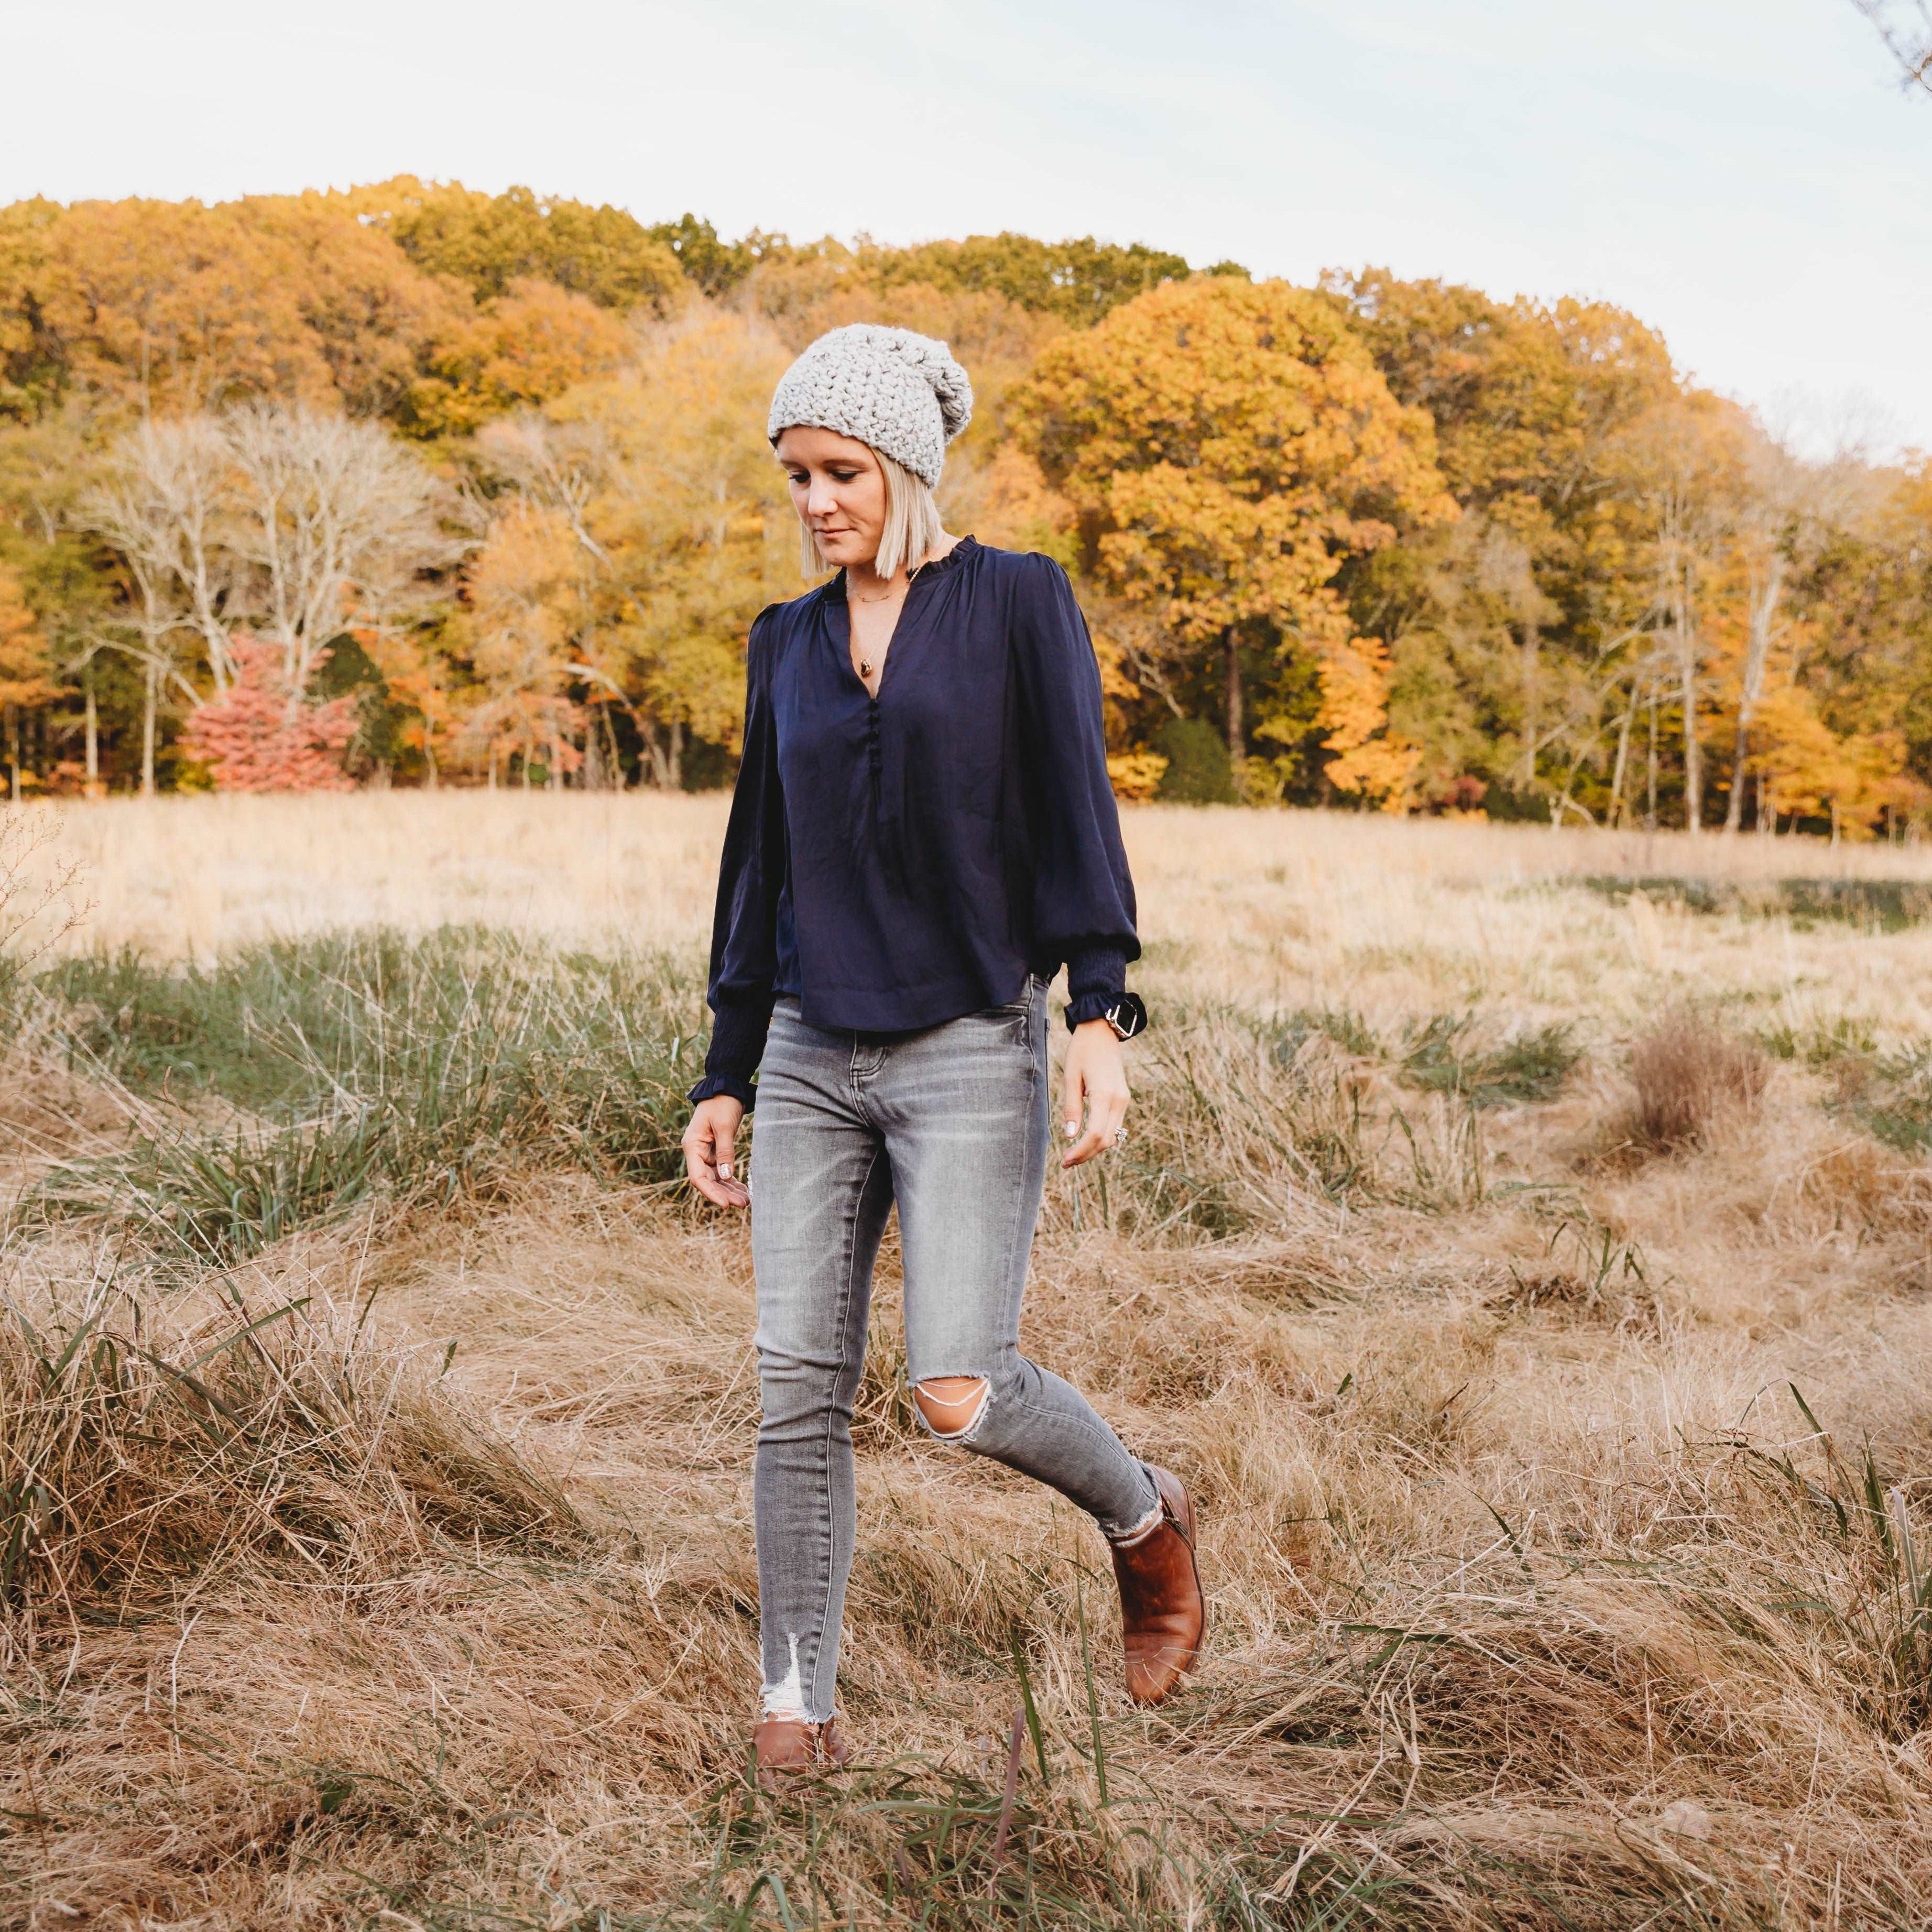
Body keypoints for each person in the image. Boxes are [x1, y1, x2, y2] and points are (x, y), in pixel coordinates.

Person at [681, 324, 1205, 1780]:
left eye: (840, 470)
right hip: (805, 1050)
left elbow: (1076, 812)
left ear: (907, 461)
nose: (815, 501)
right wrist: (725, 1066)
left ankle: (1142, 1521)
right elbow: (757, 864)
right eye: (795, 476)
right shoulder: (785, 640)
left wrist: (1097, 1009)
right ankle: (797, 1708)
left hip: (971, 1041)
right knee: (797, 1388)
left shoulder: (1019, 603)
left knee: (957, 1387)